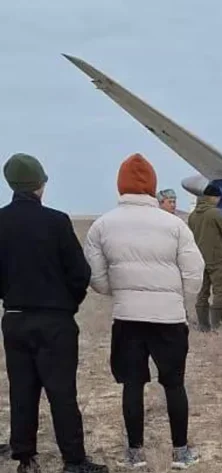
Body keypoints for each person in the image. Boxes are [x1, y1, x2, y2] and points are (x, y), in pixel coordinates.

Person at [84, 153, 204, 469]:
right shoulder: (174, 225)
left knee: (132, 385)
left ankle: (135, 454)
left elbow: (96, 277)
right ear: (152, 187)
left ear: (120, 185)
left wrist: (120, 291)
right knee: (174, 384)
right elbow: (195, 270)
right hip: (168, 318)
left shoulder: (101, 226)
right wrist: (179, 300)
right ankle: (180, 453)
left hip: (127, 318)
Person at [0, 153, 109, 473]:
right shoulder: (57, 222)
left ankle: (25, 458)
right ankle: (73, 461)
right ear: (40, 185)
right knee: (61, 391)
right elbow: (79, 273)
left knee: (21, 389)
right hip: (55, 320)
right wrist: (68, 304)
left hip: (15, 318)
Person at [187, 184, 222, 331]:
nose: (219, 200)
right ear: (213, 197)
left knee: (202, 292)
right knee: (219, 292)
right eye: (218, 197)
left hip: (199, 259)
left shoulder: (193, 215)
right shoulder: (216, 213)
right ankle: (217, 325)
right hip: (216, 258)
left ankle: (203, 325)